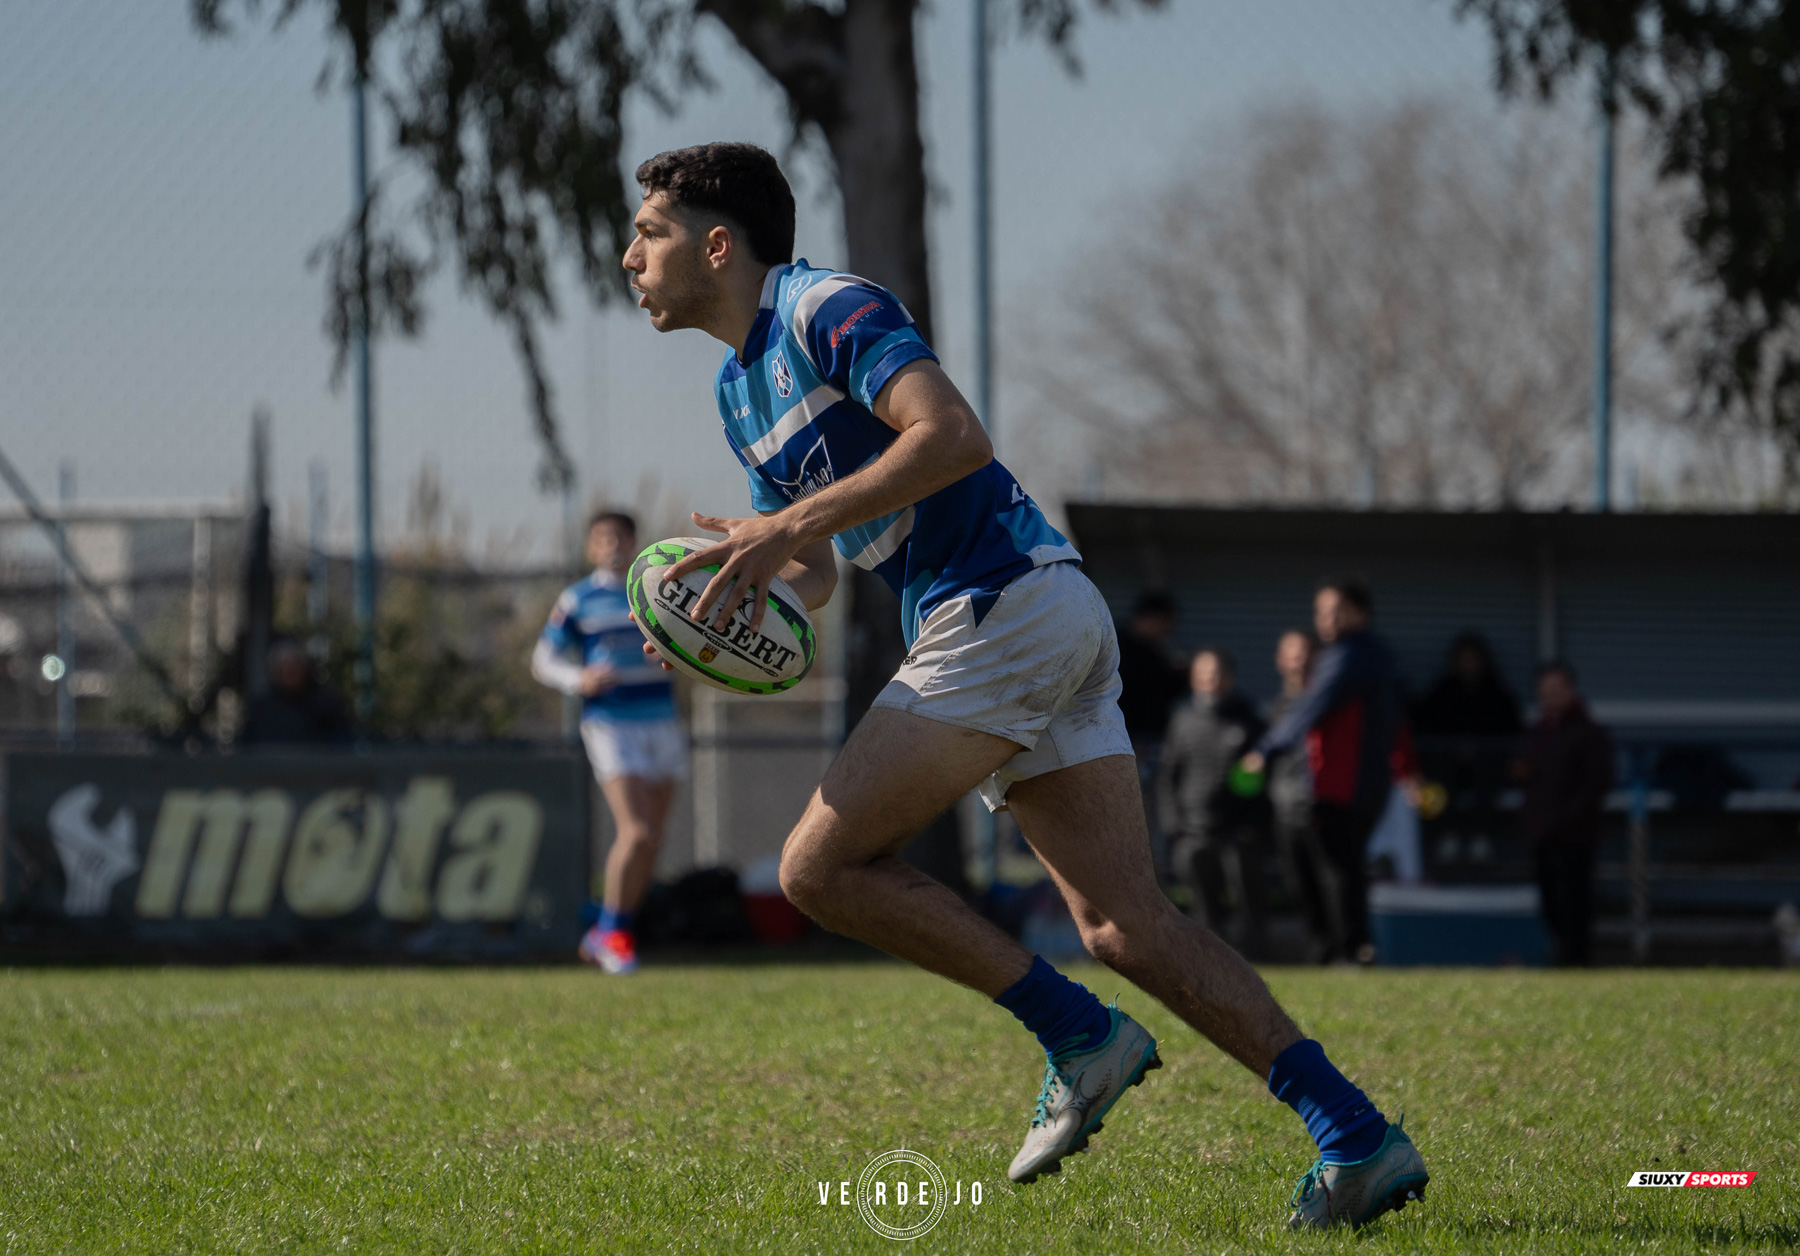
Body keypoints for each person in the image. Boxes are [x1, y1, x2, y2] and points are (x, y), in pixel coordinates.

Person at [620, 142, 1427, 1227]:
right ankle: (1358, 1137)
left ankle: (1079, 1035)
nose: (631, 256)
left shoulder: (827, 306)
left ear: (717, 243)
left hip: (998, 605)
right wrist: (724, 604)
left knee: (819, 867)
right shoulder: (736, 392)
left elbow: (951, 435)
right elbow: (810, 568)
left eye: (649, 232)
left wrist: (794, 520)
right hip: (1029, 616)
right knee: (1126, 925)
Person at [532, 509, 685, 975]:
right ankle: (612, 932)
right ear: (590, 547)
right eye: (602, 537)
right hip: (611, 723)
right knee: (635, 831)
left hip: (663, 721)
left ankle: (611, 931)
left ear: (636, 540)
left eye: (620, 535)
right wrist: (579, 678)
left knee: (651, 840)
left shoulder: (660, 588)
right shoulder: (578, 598)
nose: (612, 544)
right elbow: (543, 658)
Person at [1239, 579, 1405, 966]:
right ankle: (1353, 949)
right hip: (1364, 785)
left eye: (1337, 610)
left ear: (1360, 613)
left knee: (1334, 871)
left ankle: (1345, 952)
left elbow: (1313, 704)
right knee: (1344, 868)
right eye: (1321, 610)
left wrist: (1265, 749)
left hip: (1342, 786)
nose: (1327, 619)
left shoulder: (1349, 654)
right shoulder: (1378, 655)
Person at [1157, 648, 1271, 956]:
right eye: (1205, 672)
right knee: (1201, 905)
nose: (1211, 679)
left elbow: (1264, 780)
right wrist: (1174, 825)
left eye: (1218, 672)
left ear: (1231, 677)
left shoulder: (1250, 720)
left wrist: (1254, 825)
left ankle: (1255, 956)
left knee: (1247, 898)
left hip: (1239, 832)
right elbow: (1168, 777)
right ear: (1194, 678)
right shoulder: (1182, 719)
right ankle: (1209, 958)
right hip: (1193, 831)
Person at [1518, 661, 1614, 966]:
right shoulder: (1539, 731)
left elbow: (1597, 782)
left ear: (1571, 691)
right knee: (1549, 903)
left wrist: (1570, 816)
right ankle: (1559, 958)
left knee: (1576, 903)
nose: (1550, 696)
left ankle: (1577, 962)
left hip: (1575, 834)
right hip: (1543, 833)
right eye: (1545, 691)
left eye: (1556, 689)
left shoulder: (1588, 732)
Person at [1263, 629, 1333, 959]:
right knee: (1298, 884)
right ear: (1279, 661)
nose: (1299, 660)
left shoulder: (1327, 703)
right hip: (1285, 809)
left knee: (1330, 881)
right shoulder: (1274, 710)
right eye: (1291, 653)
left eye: (1305, 652)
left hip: (1323, 806)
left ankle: (1341, 950)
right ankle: (1315, 951)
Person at [1114, 590, 1189, 878]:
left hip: (1152, 746)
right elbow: (1125, 701)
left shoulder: (1152, 651)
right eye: (1166, 624)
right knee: (1138, 819)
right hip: (1132, 747)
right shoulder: (1122, 649)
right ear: (1152, 619)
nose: (1168, 631)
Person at [240, 639, 351, 745]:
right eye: (286, 668)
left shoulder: (328, 704)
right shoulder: (260, 708)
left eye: (295, 667)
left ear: (305, 668)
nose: (292, 673)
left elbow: (343, 745)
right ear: (276, 672)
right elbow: (246, 747)